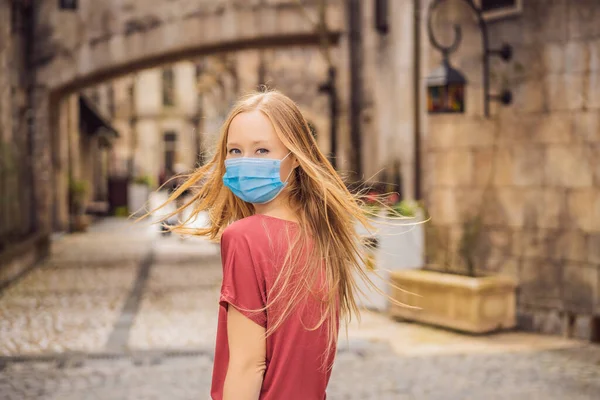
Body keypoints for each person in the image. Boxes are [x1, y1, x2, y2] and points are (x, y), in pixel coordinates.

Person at [157, 90, 377, 400]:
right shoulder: (324, 236)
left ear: (296, 158)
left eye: (262, 150)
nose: (245, 162)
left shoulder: (244, 238)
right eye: (234, 151)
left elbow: (248, 366)